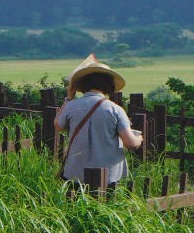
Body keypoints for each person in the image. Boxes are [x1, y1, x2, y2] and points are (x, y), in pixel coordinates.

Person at [55, 55, 143, 189]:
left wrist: (68, 98)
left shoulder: (71, 106)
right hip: (107, 175)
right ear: (109, 86)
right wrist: (139, 139)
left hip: (76, 172)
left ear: (83, 84)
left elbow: (58, 125)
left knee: (75, 205)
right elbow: (130, 143)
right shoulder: (115, 109)